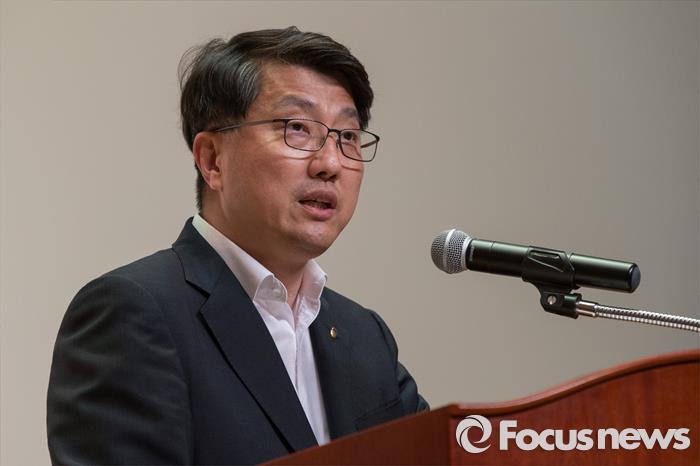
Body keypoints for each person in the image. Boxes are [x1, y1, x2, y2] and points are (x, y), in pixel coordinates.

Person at [47, 26, 428, 465]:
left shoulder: (364, 335)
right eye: (297, 128)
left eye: (347, 137)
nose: (330, 163)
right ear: (212, 160)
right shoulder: (134, 313)